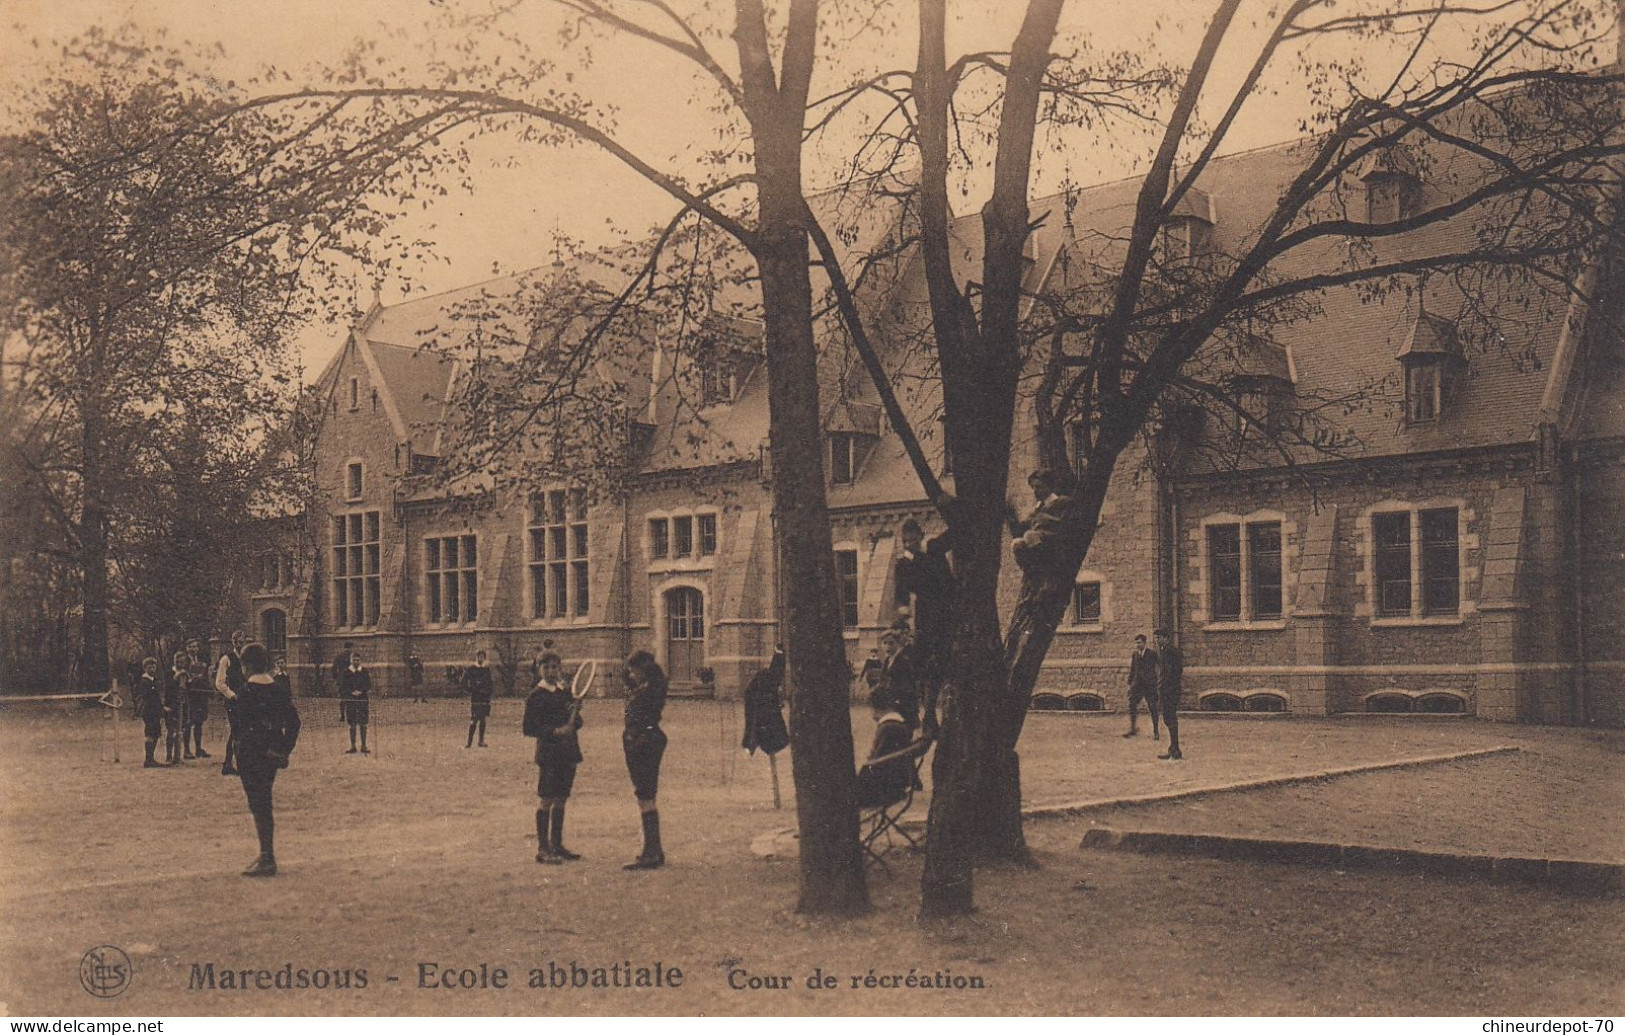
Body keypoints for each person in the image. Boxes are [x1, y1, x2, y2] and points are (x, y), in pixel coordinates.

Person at [233, 641, 301, 877]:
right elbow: (294, 722)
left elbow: (243, 729)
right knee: (263, 802)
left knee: (259, 804)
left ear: (248, 665)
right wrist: (282, 749)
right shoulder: (278, 689)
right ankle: (265, 853)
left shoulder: (246, 693)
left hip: (252, 757)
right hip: (271, 758)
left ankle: (268, 857)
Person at [894, 517, 954, 732]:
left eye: (912, 539)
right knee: (920, 662)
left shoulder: (933, 549)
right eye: (905, 541)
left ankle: (932, 711)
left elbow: (953, 534)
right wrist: (903, 612)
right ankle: (921, 712)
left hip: (946, 612)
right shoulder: (904, 564)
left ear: (920, 536)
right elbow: (903, 590)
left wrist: (928, 547)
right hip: (926, 614)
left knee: (942, 660)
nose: (909, 544)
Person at [523, 651, 582, 864]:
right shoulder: (536, 696)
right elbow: (529, 728)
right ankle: (543, 848)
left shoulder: (564, 693)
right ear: (539, 669)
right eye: (546, 667)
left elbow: (577, 723)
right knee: (546, 798)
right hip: (549, 754)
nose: (551, 672)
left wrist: (575, 712)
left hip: (568, 752)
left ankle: (557, 845)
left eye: (554, 667)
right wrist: (555, 732)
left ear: (559, 669)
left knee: (561, 798)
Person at [621, 650, 669, 870]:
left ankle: (651, 851)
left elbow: (636, 712)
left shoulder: (646, 692)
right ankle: (653, 849)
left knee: (645, 796)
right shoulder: (652, 688)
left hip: (643, 742)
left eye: (633, 670)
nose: (630, 674)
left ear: (642, 670)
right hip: (648, 740)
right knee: (646, 795)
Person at [1007, 467, 1075, 594]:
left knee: (1029, 535)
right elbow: (1024, 526)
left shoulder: (1062, 502)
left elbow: (1065, 524)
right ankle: (1034, 576)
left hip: (1055, 542)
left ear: (1049, 487)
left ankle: (1048, 574)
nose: (1035, 491)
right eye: (1033, 487)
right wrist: (1011, 516)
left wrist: (1043, 519)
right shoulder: (1037, 508)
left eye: (1039, 487)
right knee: (1017, 544)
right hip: (1037, 541)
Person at [855, 689, 916, 809]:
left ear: (877, 708)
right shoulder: (901, 725)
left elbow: (877, 761)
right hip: (898, 783)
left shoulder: (887, 728)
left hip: (886, 788)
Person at [742, 646, 789, 757]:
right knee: (758, 725)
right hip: (760, 703)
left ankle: (754, 745)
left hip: (764, 704)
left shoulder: (771, 679)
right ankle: (752, 745)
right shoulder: (766, 678)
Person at [214, 630, 246, 776]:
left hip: (245, 700)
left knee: (237, 732)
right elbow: (219, 683)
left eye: (243, 641)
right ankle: (237, 765)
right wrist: (231, 695)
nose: (241, 644)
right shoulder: (226, 659)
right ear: (233, 642)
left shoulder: (246, 658)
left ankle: (228, 764)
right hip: (233, 701)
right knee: (237, 730)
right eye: (238, 642)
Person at [877, 625, 920, 733]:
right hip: (890, 705)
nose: (887, 646)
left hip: (904, 705)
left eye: (891, 643)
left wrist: (898, 699)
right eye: (885, 643)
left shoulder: (903, 661)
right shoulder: (887, 661)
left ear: (898, 644)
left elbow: (908, 685)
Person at [1124, 633, 1161, 741]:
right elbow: (1132, 670)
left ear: (1144, 643)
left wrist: (1157, 681)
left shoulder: (1152, 654)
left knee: (1152, 707)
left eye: (1139, 642)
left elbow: (1160, 666)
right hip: (1137, 686)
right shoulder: (1135, 654)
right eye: (1136, 643)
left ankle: (1156, 731)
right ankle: (1133, 728)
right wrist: (1130, 684)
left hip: (1149, 686)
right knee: (1132, 705)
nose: (1137, 645)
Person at [1154, 628, 1184, 760]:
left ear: (1166, 638)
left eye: (1159, 637)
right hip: (1168, 689)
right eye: (1156, 638)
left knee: (1170, 719)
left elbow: (1172, 672)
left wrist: (1164, 687)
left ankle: (1175, 750)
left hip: (1170, 690)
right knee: (1168, 718)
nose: (1157, 640)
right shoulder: (1165, 651)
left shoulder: (1170, 652)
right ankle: (1173, 748)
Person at [133, 657, 166, 768]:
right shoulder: (144, 681)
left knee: (155, 733)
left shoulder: (154, 680)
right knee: (150, 733)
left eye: (154, 666)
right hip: (149, 710)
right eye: (149, 667)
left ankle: (151, 758)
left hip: (155, 710)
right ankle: (148, 759)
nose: (152, 669)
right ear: (145, 668)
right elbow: (148, 697)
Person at [183, 638, 212, 760]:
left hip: (201, 694)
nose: (193, 649)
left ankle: (198, 748)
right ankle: (186, 750)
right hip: (191, 695)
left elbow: (206, 677)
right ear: (187, 648)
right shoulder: (184, 661)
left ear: (198, 649)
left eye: (195, 646)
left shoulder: (202, 661)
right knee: (189, 722)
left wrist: (209, 689)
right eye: (190, 646)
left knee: (199, 722)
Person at [340, 649, 372, 755]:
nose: (356, 662)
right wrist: (351, 692)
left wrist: (361, 691)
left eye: (358, 660)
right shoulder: (346, 672)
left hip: (362, 700)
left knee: (363, 723)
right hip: (351, 700)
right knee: (352, 723)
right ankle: (352, 746)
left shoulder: (364, 671)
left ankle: (363, 745)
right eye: (354, 660)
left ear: (360, 661)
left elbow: (368, 685)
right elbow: (343, 686)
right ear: (351, 661)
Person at [465, 649, 494, 748]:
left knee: (483, 719)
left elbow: (490, 683)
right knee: (474, 719)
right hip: (476, 697)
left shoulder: (486, 669)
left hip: (485, 697)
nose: (480, 658)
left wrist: (489, 692)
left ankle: (481, 741)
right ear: (476, 657)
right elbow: (464, 682)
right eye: (479, 656)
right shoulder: (471, 669)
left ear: (484, 658)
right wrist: (471, 690)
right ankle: (469, 742)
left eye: (482, 656)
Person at [165, 650, 187, 765]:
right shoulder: (169, 673)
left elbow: (187, 687)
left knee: (180, 731)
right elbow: (168, 688)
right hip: (171, 705)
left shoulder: (185, 673)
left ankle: (177, 756)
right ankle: (168, 756)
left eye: (183, 662)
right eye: (179, 662)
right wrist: (175, 677)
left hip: (181, 704)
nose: (181, 665)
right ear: (175, 662)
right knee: (171, 731)